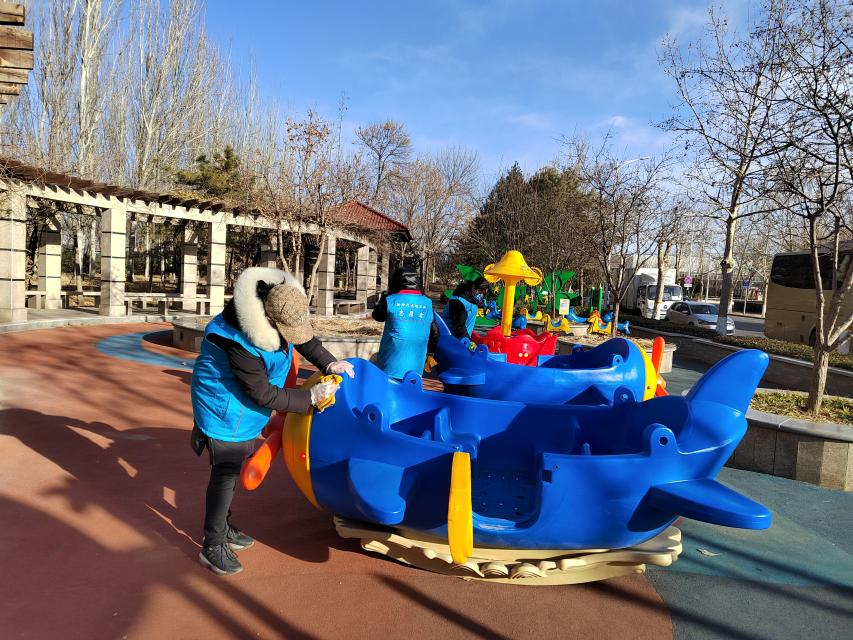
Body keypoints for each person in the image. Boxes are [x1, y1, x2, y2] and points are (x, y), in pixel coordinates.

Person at [190, 267, 354, 576]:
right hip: (222, 405)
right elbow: (263, 393)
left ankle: (222, 526)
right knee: (225, 471)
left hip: (241, 402)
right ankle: (212, 544)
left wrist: (329, 363)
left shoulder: (275, 307)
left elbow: (302, 339)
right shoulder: (238, 342)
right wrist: (310, 398)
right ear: (268, 319)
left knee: (232, 468)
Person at [371, 266, 438, 379]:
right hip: (415, 368)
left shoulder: (391, 300)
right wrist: (430, 353)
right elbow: (435, 332)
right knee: (410, 387)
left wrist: (382, 300)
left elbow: (377, 316)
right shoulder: (427, 303)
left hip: (390, 364)